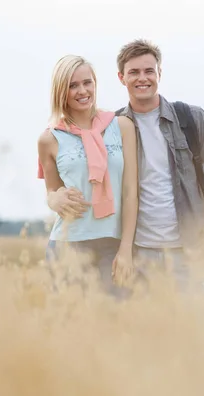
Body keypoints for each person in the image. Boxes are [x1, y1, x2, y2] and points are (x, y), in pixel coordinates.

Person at [115, 39, 204, 294]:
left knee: (190, 331)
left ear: (160, 74)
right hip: (137, 255)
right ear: (121, 77)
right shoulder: (112, 128)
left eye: (149, 71)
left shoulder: (191, 118)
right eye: (134, 72)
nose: (142, 78)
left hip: (188, 253)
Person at [37, 54, 139, 298]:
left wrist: (126, 249)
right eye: (73, 85)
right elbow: (52, 191)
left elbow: (130, 191)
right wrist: (54, 200)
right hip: (67, 244)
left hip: (112, 245)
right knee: (72, 329)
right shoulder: (49, 138)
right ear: (61, 91)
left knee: (115, 325)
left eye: (87, 82)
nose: (82, 91)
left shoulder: (122, 126)